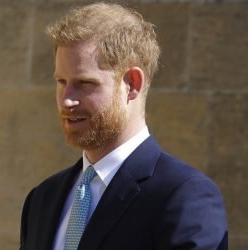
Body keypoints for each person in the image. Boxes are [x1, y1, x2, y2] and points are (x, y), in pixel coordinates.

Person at [20, 2, 228, 250]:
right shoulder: (43, 198)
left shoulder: (185, 197)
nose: (67, 99)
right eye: (61, 81)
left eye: (85, 83)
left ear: (132, 84)